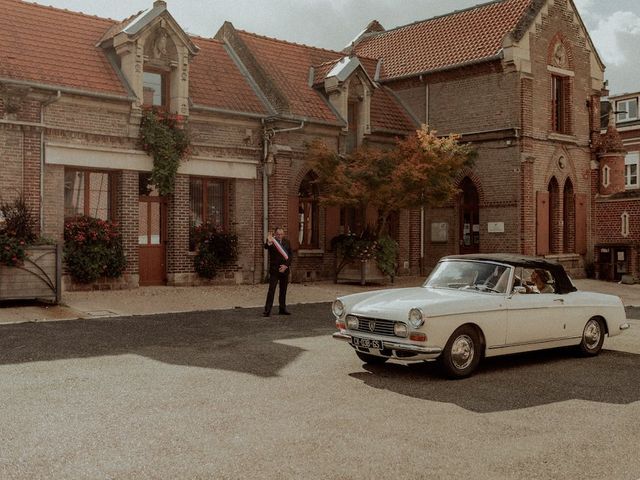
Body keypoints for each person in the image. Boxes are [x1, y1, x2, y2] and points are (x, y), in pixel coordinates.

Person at [263, 227, 292, 317]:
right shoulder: (272, 241)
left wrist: (286, 266)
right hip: (275, 270)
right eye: (278, 234)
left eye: (281, 234)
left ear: (283, 234)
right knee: (271, 290)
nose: (279, 236)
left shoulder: (287, 242)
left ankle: (282, 309)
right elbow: (266, 247)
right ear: (275, 234)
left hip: (284, 269)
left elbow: (290, 256)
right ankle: (267, 310)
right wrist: (269, 241)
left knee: (283, 290)